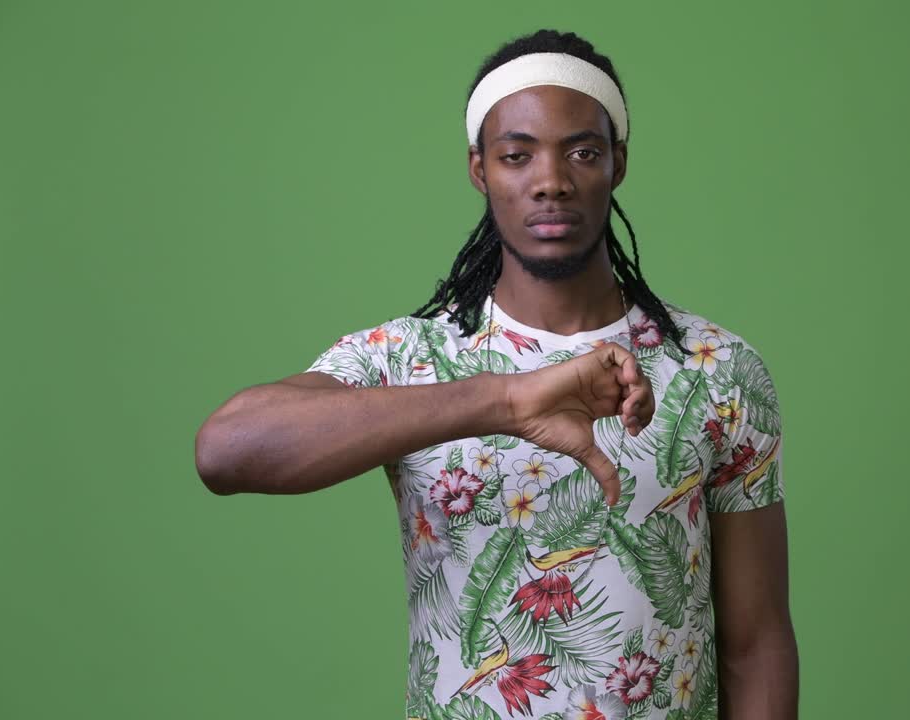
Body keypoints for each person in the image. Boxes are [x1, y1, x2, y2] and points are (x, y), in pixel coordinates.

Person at [194, 29, 798, 720]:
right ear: (480, 170)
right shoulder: (407, 360)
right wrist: (505, 400)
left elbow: (757, 644)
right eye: (517, 155)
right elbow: (226, 450)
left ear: (618, 164)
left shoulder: (716, 371)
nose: (551, 180)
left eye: (583, 152)